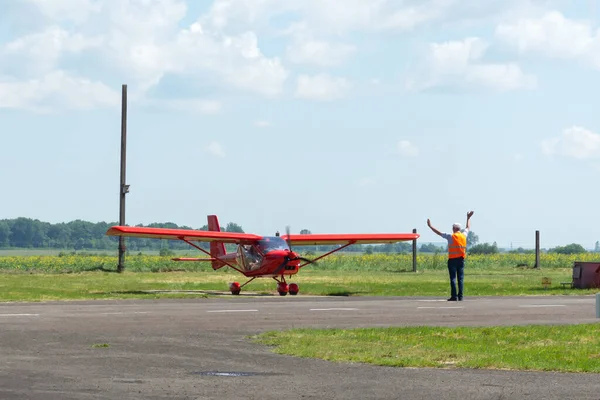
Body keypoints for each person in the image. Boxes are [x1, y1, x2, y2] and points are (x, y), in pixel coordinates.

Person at [427, 211, 474, 301]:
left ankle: (454, 296)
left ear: (454, 228)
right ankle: (460, 296)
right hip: (461, 260)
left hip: (452, 260)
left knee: (453, 278)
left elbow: (439, 233)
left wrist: (430, 226)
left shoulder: (450, 236)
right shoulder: (464, 235)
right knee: (460, 278)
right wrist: (468, 218)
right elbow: (468, 227)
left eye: (453, 228)